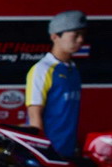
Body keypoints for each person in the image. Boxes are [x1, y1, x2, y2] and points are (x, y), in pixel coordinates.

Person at [24, 10, 88, 159]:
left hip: (68, 152)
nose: (80, 40)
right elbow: (34, 117)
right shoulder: (42, 69)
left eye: (82, 35)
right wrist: (43, 155)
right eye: (75, 35)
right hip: (47, 155)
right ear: (55, 36)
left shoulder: (73, 69)